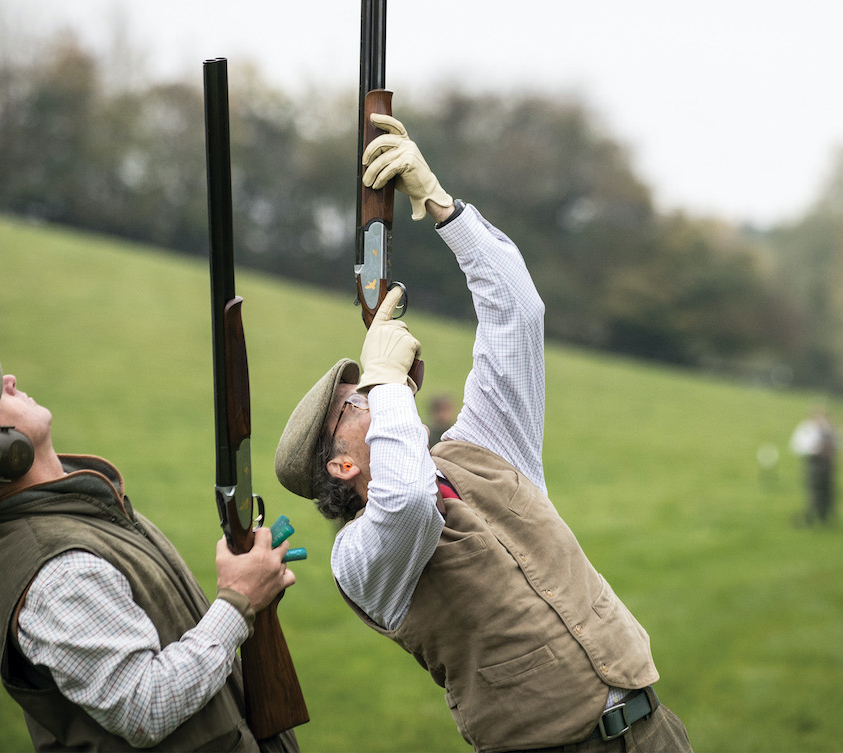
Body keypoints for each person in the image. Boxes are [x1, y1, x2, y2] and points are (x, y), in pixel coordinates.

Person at [274, 114, 691, 753]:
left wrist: (440, 204)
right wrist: (389, 383)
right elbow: (408, 502)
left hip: (654, 729)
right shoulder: (359, 560)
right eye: (356, 403)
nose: (374, 394)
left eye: (368, 388)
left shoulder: (479, 447)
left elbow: (518, 313)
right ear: (339, 467)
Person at [0, 347, 300, 752]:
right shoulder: (60, 572)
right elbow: (146, 708)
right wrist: (238, 600)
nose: (9, 381)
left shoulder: (77, 506)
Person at [789, 406, 839, 526]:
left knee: (827, 490)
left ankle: (825, 517)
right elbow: (796, 446)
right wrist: (812, 450)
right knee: (814, 491)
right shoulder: (806, 428)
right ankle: (812, 516)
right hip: (813, 462)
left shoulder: (829, 428)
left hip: (827, 463)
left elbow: (840, 443)